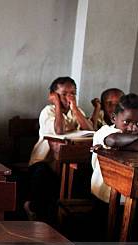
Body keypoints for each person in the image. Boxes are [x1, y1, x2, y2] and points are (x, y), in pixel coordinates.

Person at [25, 76, 93, 222]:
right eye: (63, 94)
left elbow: (90, 130)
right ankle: (32, 208)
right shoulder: (48, 111)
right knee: (43, 175)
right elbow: (59, 131)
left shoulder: (76, 110)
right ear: (53, 95)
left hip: (68, 161)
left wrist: (74, 108)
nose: (69, 97)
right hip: (43, 161)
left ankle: (69, 216)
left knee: (84, 175)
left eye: (73, 93)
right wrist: (56, 103)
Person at [91, 94, 138, 204]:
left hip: (131, 197)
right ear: (114, 118)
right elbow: (113, 140)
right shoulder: (104, 131)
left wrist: (124, 144)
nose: (132, 128)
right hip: (103, 193)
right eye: (126, 122)